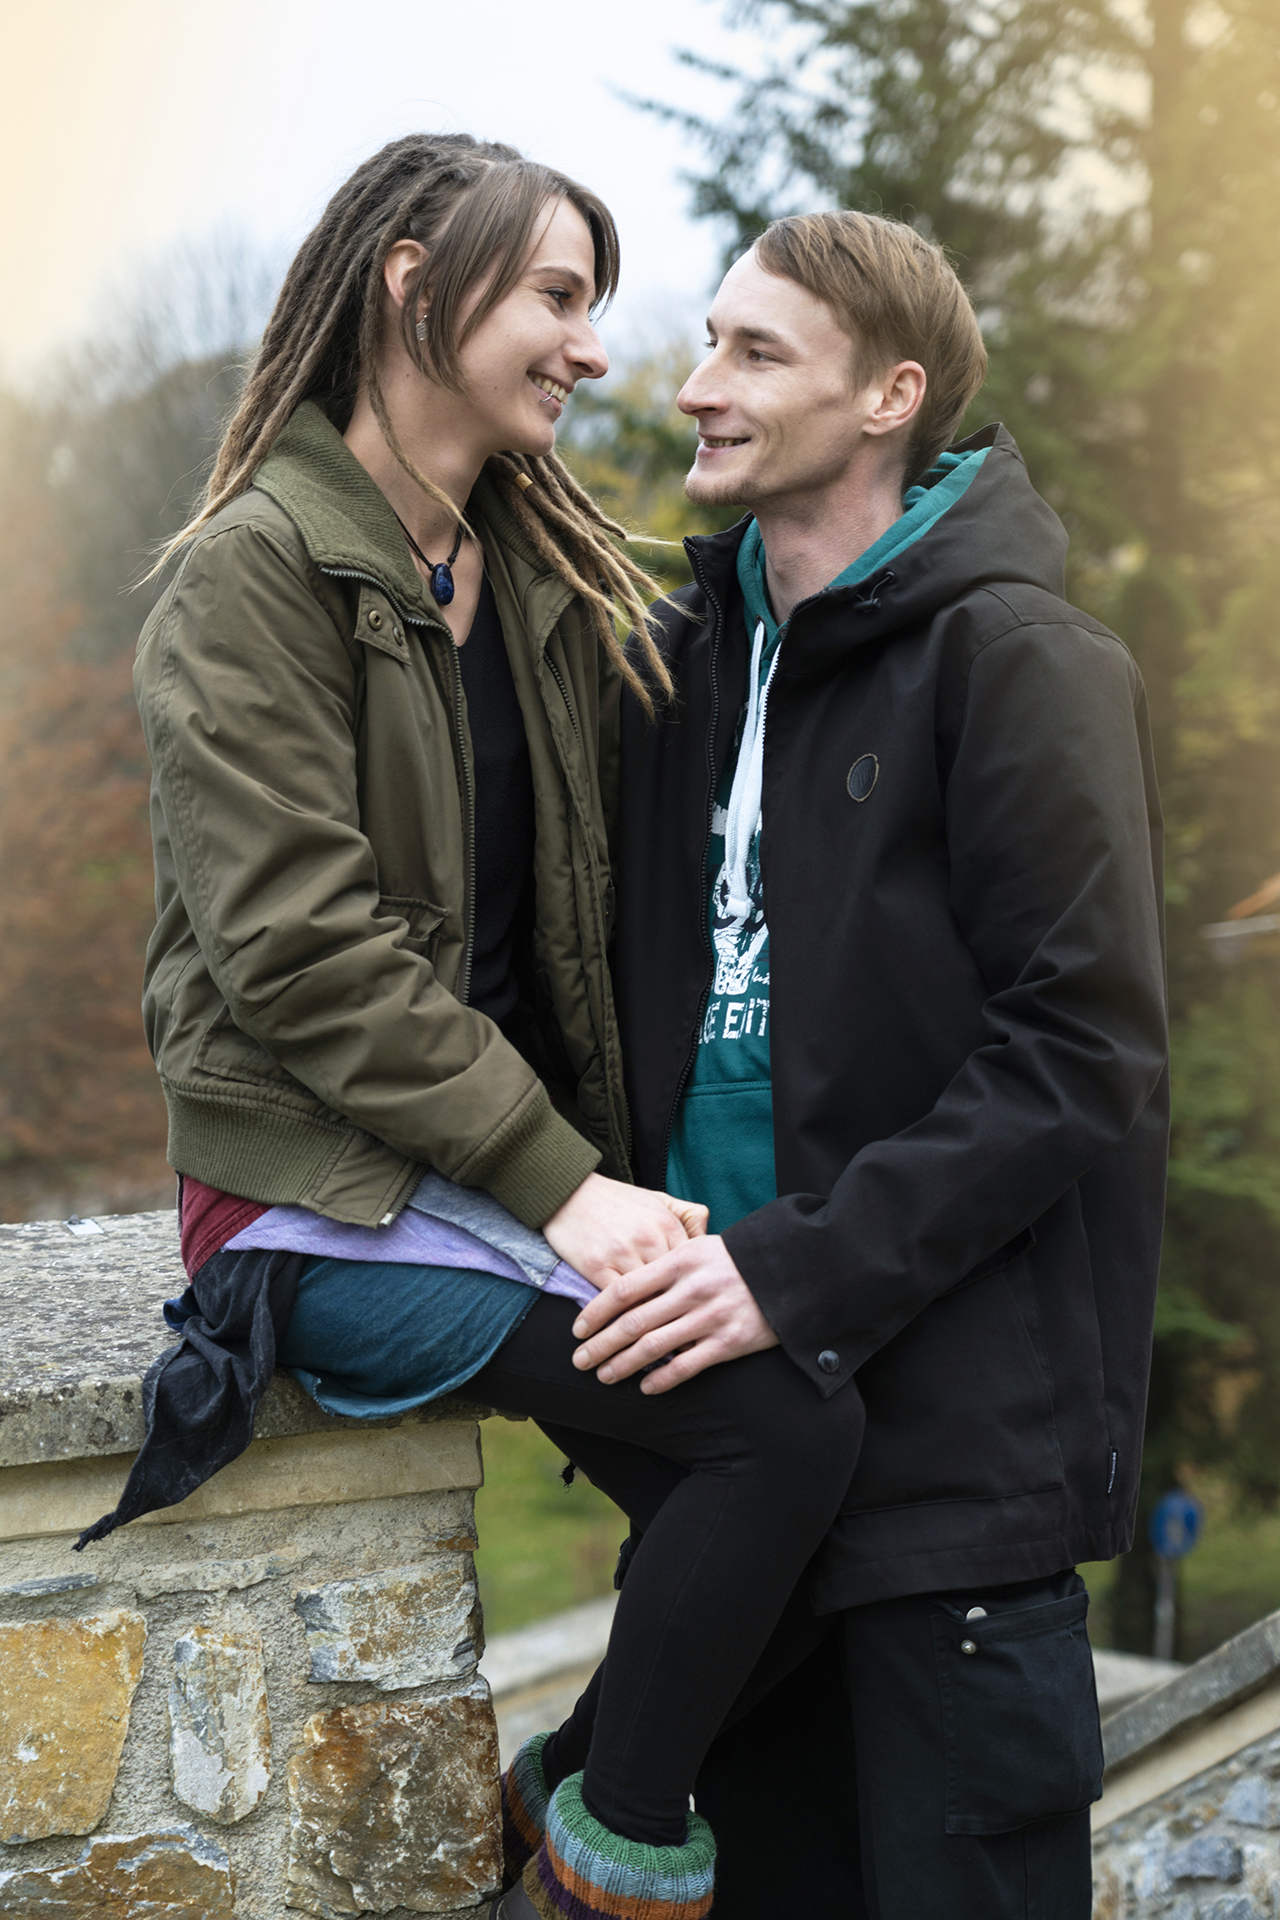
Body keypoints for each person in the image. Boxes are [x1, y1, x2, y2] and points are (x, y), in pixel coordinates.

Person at [118, 136, 866, 1920]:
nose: (592, 347)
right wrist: (566, 1188)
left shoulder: (533, 566)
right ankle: (598, 1882)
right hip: (319, 1203)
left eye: (595, 306)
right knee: (779, 1441)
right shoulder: (252, 576)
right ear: (409, 279)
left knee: (832, 1484)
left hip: (501, 1185)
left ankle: (560, 1798)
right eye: (556, 297)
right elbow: (304, 956)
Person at [571, 211, 1167, 1918]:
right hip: (730, 1476)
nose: (698, 386)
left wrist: (792, 1274)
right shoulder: (670, 665)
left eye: (756, 353)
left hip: (949, 1495)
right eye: (708, 342)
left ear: (892, 396)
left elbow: (1082, 1049)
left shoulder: (1022, 659)